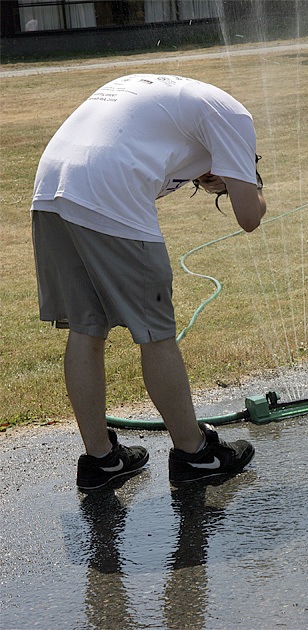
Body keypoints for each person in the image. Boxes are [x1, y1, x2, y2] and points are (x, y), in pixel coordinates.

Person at [31, 74, 266, 492]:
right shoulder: (235, 117)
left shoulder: (181, 100)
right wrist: (244, 182)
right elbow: (249, 217)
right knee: (156, 332)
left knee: (87, 327)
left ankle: (100, 460)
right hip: (105, 187)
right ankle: (196, 456)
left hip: (51, 182)